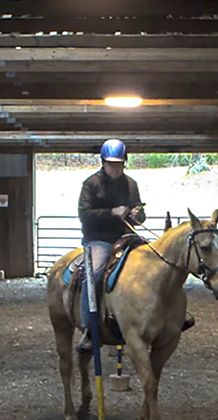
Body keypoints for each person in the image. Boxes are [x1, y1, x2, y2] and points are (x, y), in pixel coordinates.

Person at [76, 139, 146, 352]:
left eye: (119, 164)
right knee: (95, 273)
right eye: (111, 164)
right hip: (98, 238)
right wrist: (112, 212)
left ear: (125, 162)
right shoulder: (91, 184)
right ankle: (89, 328)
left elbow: (139, 216)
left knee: (156, 263)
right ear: (103, 163)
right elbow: (83, 215)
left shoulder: (131, 184)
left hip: (126, 235)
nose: (115, 168)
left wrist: (138, 214)